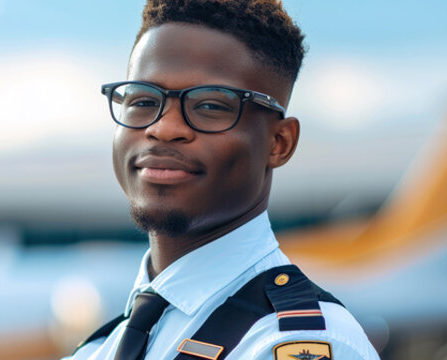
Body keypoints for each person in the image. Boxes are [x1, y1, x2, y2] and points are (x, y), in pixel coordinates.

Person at [67, 1, 380, 359]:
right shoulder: (96, 350)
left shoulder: (292, 343)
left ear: (279, 143)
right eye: (143, 100)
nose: (162, 128)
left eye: (210, 105)